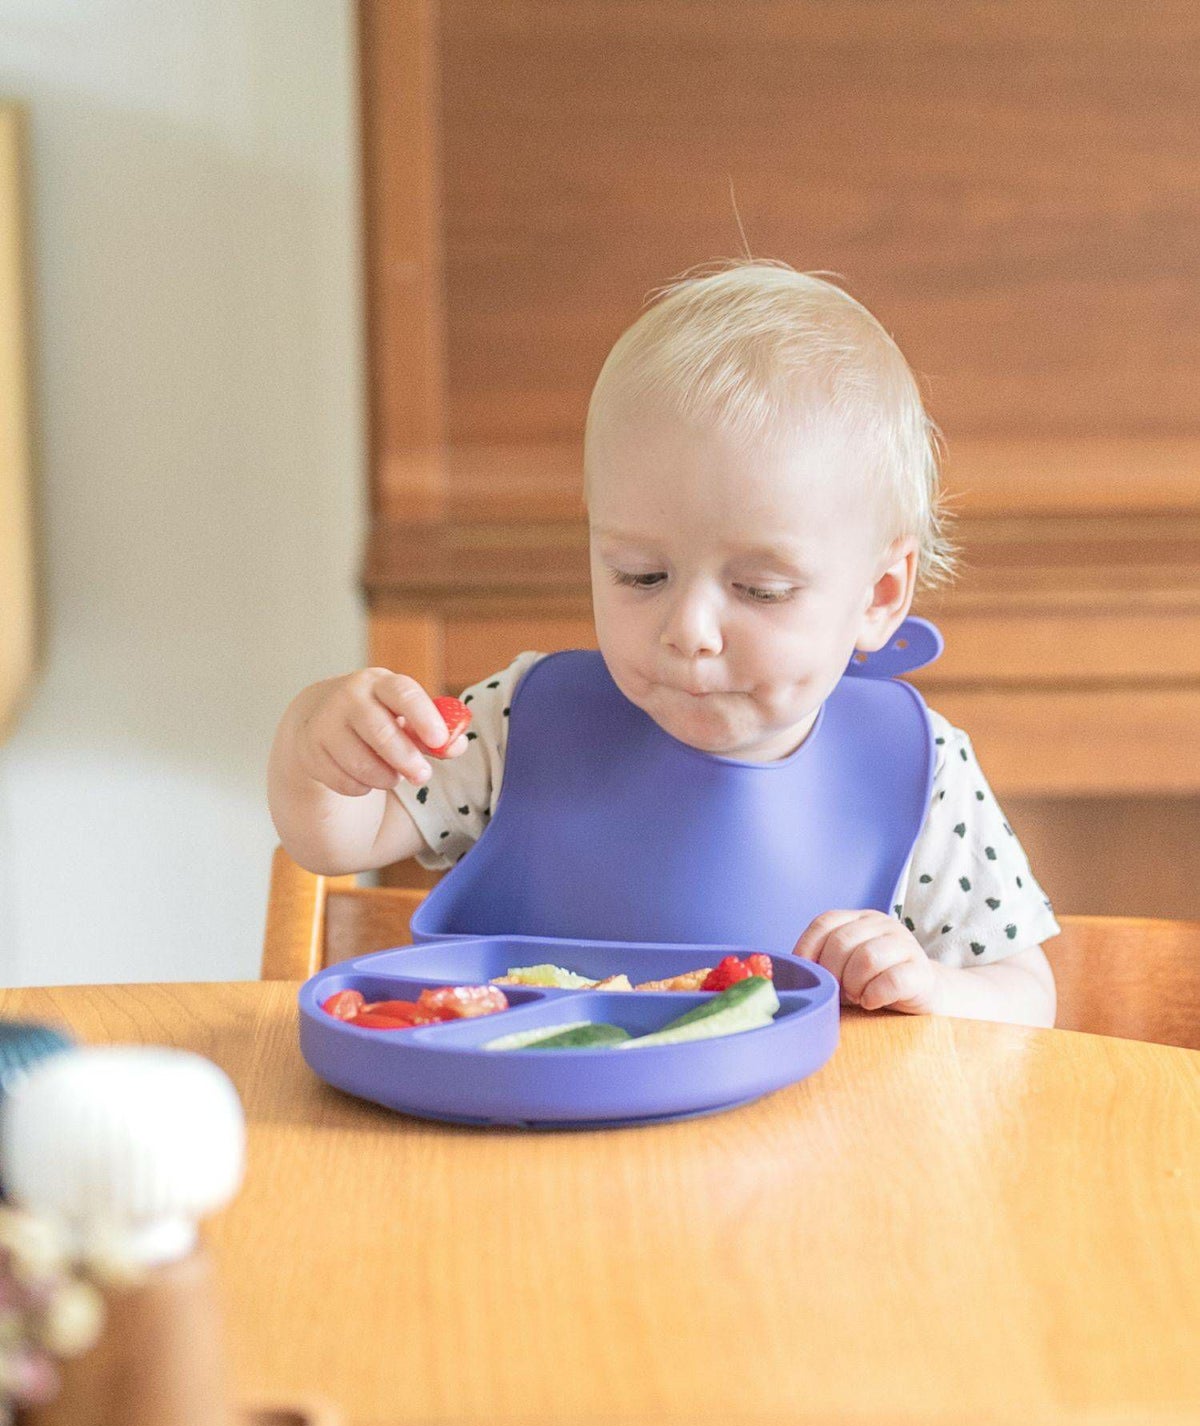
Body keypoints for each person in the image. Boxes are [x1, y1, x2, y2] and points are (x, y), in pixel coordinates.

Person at [269, 261, 1058, 1027]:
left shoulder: (921, 770)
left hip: (811, 1120)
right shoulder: (524, 722)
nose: (688, 631)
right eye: (641, 575)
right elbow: (339, 839)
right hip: (530, 1111)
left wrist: (927, 988)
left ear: (880, 596)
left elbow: (1026, 994)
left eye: (760, 589)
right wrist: (319, 742)